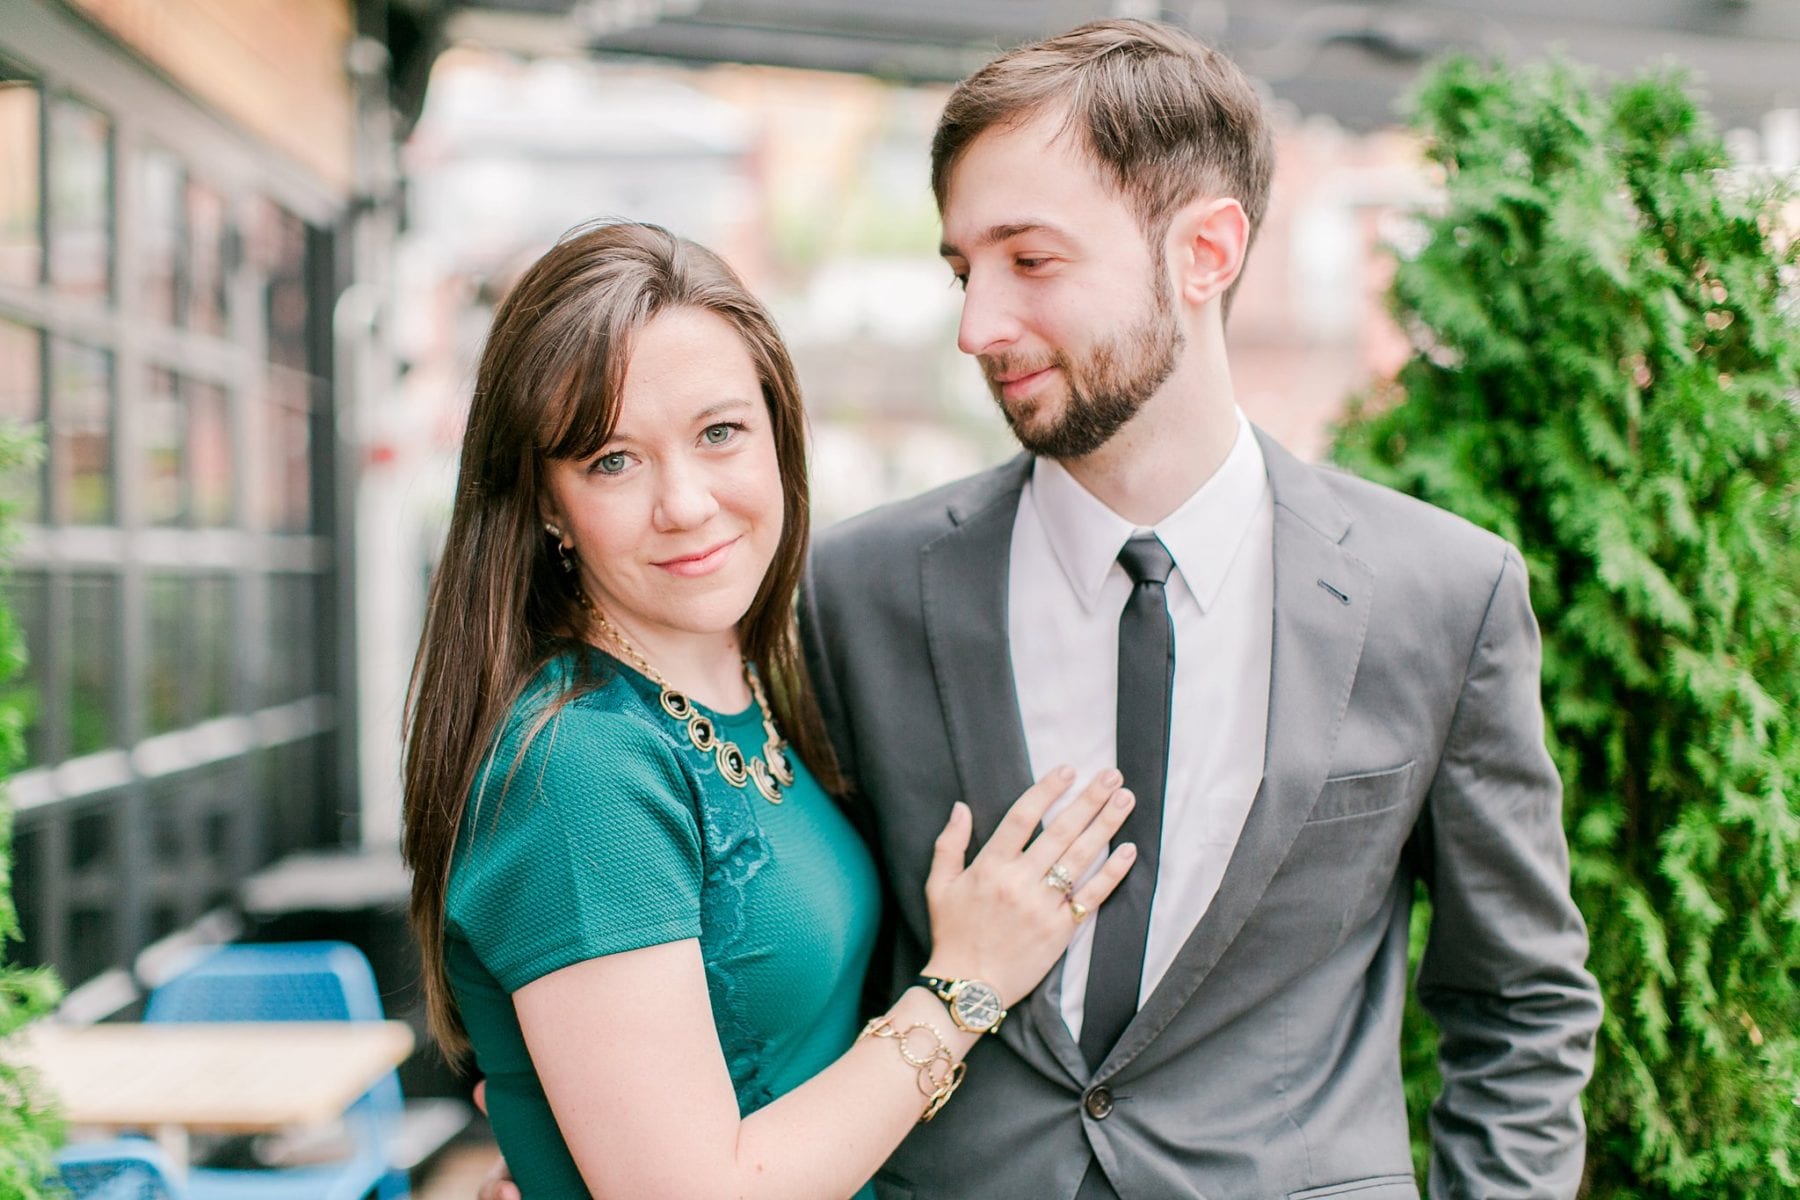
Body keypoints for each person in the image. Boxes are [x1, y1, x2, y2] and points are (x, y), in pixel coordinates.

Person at [798, 18, 1603, 1200]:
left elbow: (1518, 1006)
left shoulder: (1441, 594)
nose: (978, 328)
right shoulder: (855, 590)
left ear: (1206, 250)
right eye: (964, 271)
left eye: (1031, 260)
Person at [402, 221, 1138, 1199]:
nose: (687, 503)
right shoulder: (580, 768)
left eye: (719, 434)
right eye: (612, 460)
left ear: (779, 432)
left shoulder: (752, 688)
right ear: (546, 500)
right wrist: (967, 985)